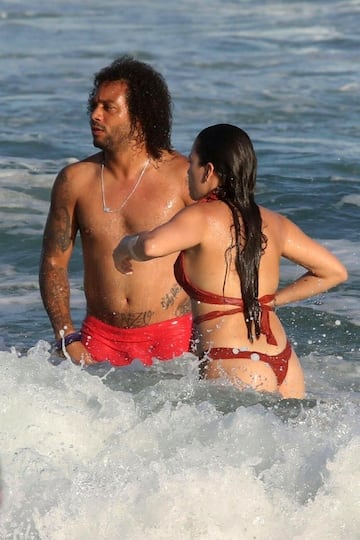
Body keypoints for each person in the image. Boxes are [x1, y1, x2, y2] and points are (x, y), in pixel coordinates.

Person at [114, 124, 348, 398]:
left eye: (192, 162)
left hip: (234, 362)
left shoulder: (201, 217)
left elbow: (151, 245)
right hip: (285, 362)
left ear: (209, 170)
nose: (188, 171)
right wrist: (273, 301)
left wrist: (125, 248)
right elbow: (333, 272)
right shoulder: (274, 221)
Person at [39, 55, 194, 367]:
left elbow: (223, 258)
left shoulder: (184, 177)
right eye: (94, 105)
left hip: (174, 339)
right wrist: (66, 335)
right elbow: (54, 263)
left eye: (108, 107)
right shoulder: (75, 180)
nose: (95, 115)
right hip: (97, 340)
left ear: (140, 116)